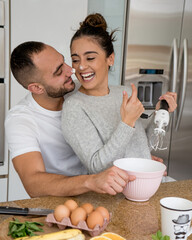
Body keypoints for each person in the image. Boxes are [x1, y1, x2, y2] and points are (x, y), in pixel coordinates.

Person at [5, 41, 136, 198]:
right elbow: (33, 182)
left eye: (64, 62)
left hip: (101, 193)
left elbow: (106, 134)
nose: (71, 71)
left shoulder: (77, 92)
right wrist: (91, 181)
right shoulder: (20, 121)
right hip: (59, 202)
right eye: (59, 72)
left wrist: (135, 153)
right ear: (37, 88)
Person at [61, 13, 177, 174]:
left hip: (146, 185)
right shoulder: (74, 107)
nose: (81, 67)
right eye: (75, 60)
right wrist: (127, 122)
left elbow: (142, 146)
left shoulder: (125, 93)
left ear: (110, 59)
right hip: (114, 196)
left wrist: (160, 114)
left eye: (90, 58)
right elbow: (96, 165)